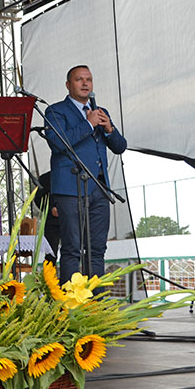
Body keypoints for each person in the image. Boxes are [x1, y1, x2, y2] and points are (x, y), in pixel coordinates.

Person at [44, 65, 127, 283]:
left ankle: (95, 305)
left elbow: (120, 147)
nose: (85, 84)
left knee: (97, 249)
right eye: (79, 79)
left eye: (88, 79)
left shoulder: (101, 111)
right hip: (71, 188)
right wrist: (88, 124)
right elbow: (58, 143)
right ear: (68, 85)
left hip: (99, 188)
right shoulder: (55, 111)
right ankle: (70, 305)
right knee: (72, 248)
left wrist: (110, 129)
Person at [34, 172, 61, 265]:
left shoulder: (74, 175)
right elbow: (38, 199)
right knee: (50, 254)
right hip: (52, 222)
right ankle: (49, 277)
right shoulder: (45, 178)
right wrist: (50, 209)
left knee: (72, 251)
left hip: (71, 220)